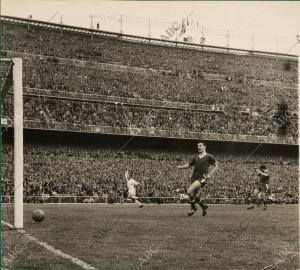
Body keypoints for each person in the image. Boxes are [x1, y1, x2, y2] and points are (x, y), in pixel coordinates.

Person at [178, 141, 218, 216]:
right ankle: (204, 206)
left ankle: (193, 208)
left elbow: (216, 166)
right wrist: (182, 167)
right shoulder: (195, 156)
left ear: (204, 147)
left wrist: (209, 175)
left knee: (189, 191)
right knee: (195, 196)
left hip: (202, 178)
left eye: (200, 145)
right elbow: (189, 165)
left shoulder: (209, 156)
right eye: (198, 146)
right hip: (194, 177)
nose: (198, 147)